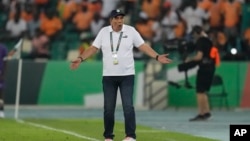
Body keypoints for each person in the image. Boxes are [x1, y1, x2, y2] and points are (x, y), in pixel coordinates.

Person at [70, 9, 172, 141]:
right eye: (116, 18)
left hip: (127, 75)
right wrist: (80, 58)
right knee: (108, 108)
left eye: (121, 18)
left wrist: (157, 56)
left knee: (128, 106)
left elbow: (142, 46)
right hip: (108, 76)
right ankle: (108, 137)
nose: (119, 21)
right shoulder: (103, 32)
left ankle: (130, 136)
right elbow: (93, 48)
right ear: (111, 20)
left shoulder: (131, 31)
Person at [185, 26, 220, 121]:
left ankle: (201, 113)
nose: (194, 36)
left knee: (199, 91)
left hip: (204, 68)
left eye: (194, 34)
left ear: (197, 32)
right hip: (211, 67)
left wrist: (189, 59)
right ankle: (207, 112)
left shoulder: (201, 41)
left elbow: (199, 56)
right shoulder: (209, 40)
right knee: (203, 91)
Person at [0, 42, 8, 118]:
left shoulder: (3, 48)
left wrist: (3, 74)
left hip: (0, 73)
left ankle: (1, 110)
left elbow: (5, 61)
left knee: (1, 94)